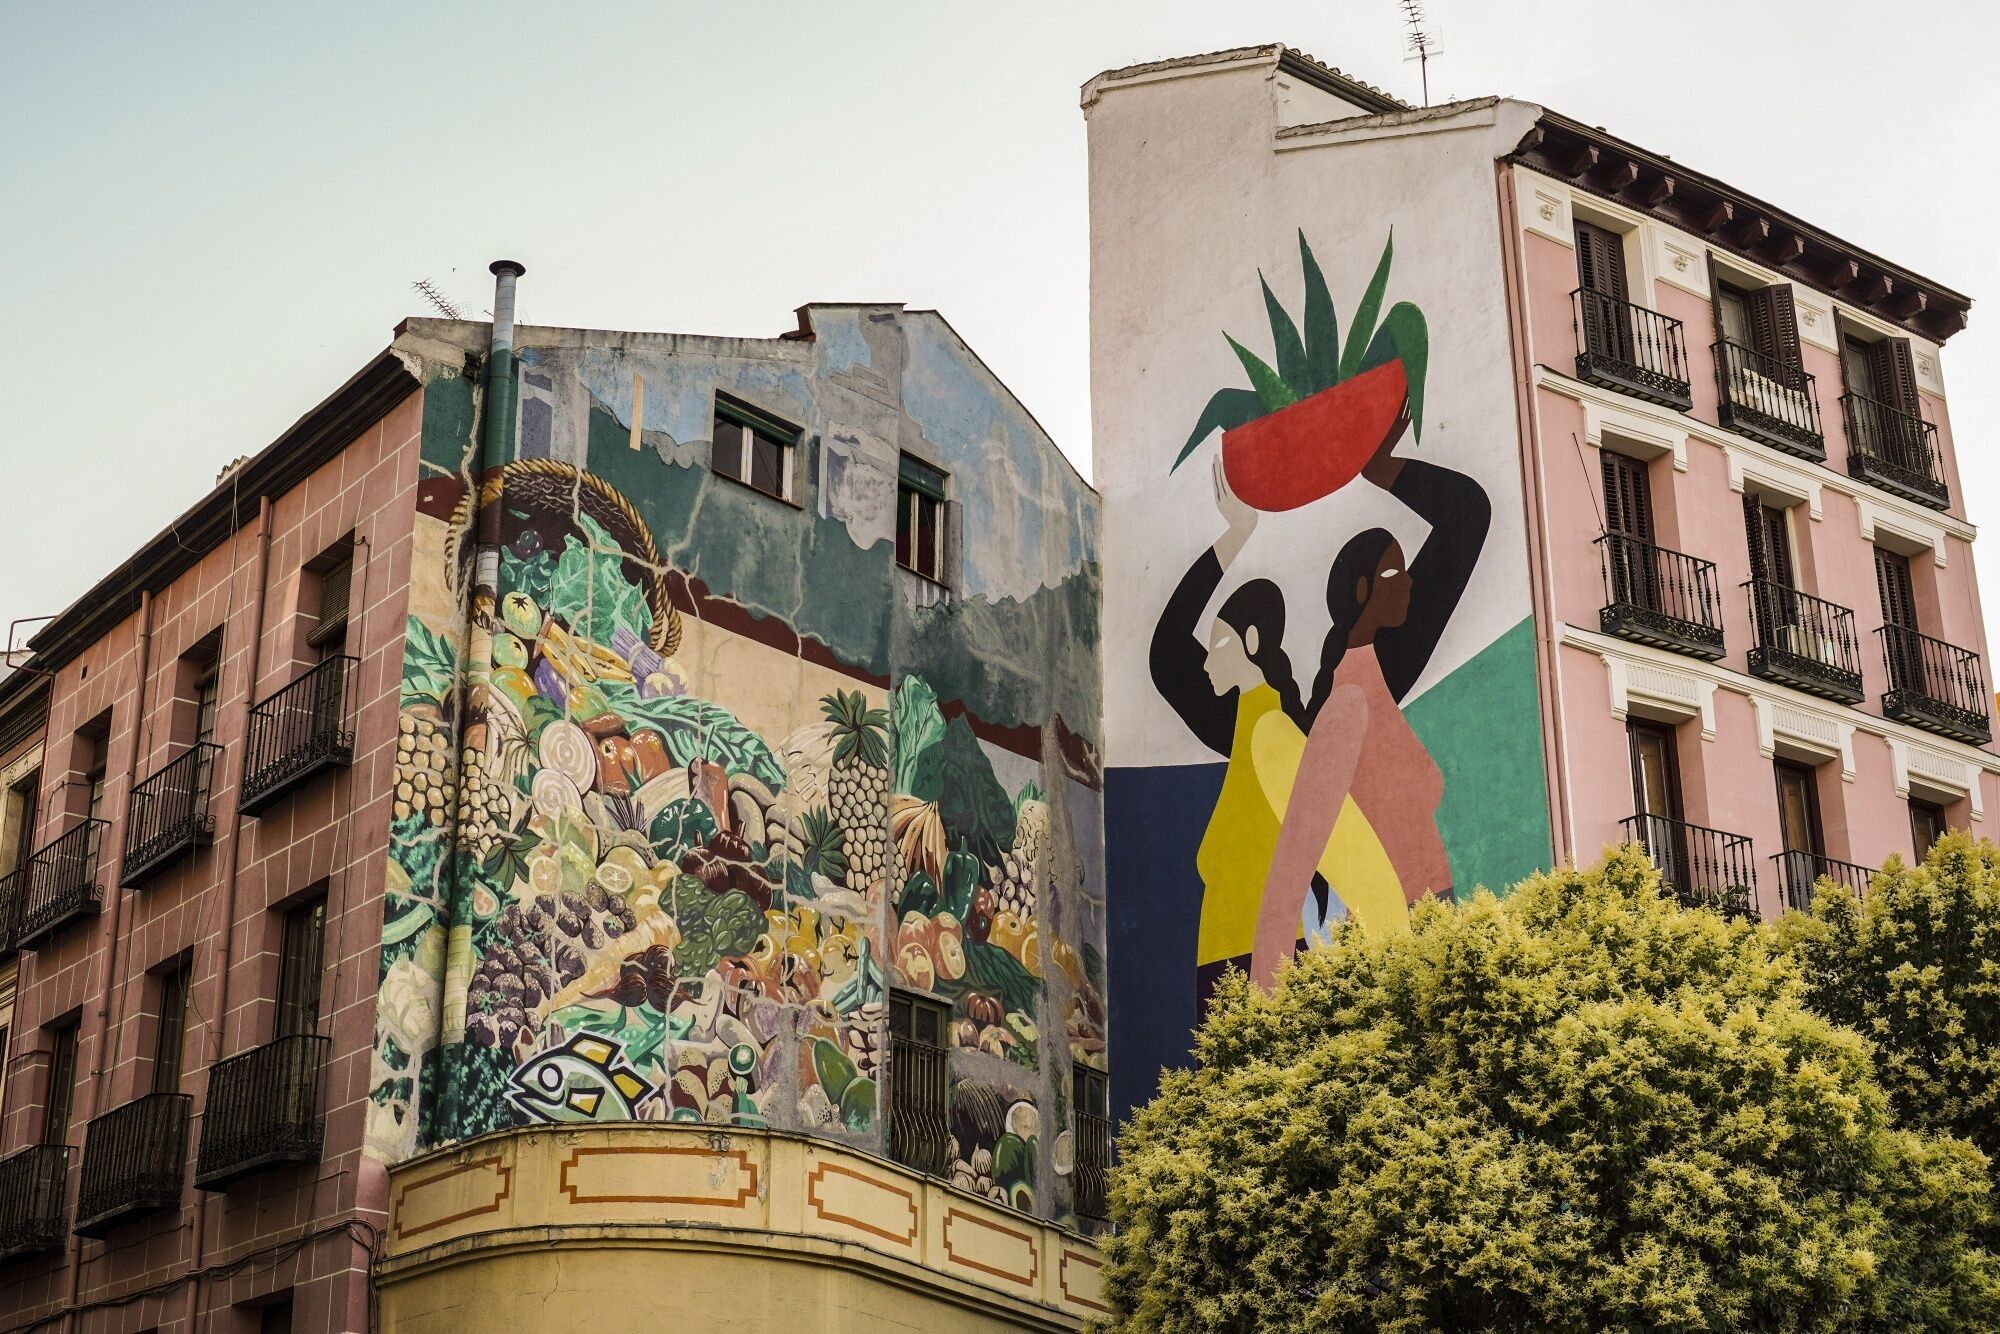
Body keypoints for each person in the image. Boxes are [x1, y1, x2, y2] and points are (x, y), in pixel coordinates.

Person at [1251, 410, 1491, 985]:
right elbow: (1291, 867)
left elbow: (1466, 515)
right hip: (1401, 938)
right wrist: (1259, 1007)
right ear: (1361, 593)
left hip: (1435, 923)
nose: (1408, 582)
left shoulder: (1380, 680)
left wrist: (1382, 469)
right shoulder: (1348, 706)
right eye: (1392, 576)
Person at [1149, 460, 1311, 1000]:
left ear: (1254, 644)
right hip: (1221, 949)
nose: (1207, 662)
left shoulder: (1281, 729)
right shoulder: (1238, 722)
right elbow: (1170, 647)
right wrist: (1237, 535)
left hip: (1263, 951)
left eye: (1219, 646)